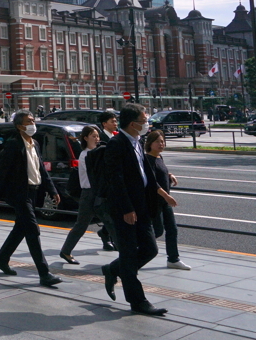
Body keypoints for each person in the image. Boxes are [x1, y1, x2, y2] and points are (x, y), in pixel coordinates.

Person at [100, 103, 166, 316]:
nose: (147, 124)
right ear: (132, 123)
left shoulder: (137, 142)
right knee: (129, 255)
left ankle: (113, 269)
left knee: (150, 249)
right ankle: (138, 301)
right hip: (124, 208)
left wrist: (161, 193)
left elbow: (146, 173)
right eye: (144, 120)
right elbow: (115, 179)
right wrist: (127, 208)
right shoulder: (117, 144)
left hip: (143, 206)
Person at [0, 111, 63, 287]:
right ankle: (44, 274)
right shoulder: (14, 144)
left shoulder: (34, 143)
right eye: (28, 121)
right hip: (18, 193)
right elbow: (3, 170)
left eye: (33, 120)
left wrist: (52, 190)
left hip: (33, 192)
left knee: (20, 228)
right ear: (19, 126)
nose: (32, 124)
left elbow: (41, 170)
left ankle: (1, 259)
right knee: (32, 229)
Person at [145, 130, 190, 270]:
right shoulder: (147, 159)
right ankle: (134, 251)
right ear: (150, 143)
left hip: (164, 202)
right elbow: (152, 182)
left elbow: (160, 173)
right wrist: (166, 196)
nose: (161, 144)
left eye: (163, 141)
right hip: (154, 202)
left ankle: (173, 259)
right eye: (158, 141)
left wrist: (169, 175)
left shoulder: (159, 158)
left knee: (172, 229)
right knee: (157, 231)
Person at [60, 125, 102, 263]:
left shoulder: (97, 152)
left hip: (97, 193)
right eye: (93, 136)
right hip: (89, 194)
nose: (97, 139)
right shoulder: (85, 155)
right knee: (81, 225)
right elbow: (93, 176)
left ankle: (125, 253)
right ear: (85, 138)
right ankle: (65, 251)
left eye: (97, 136)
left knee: (111, 221)